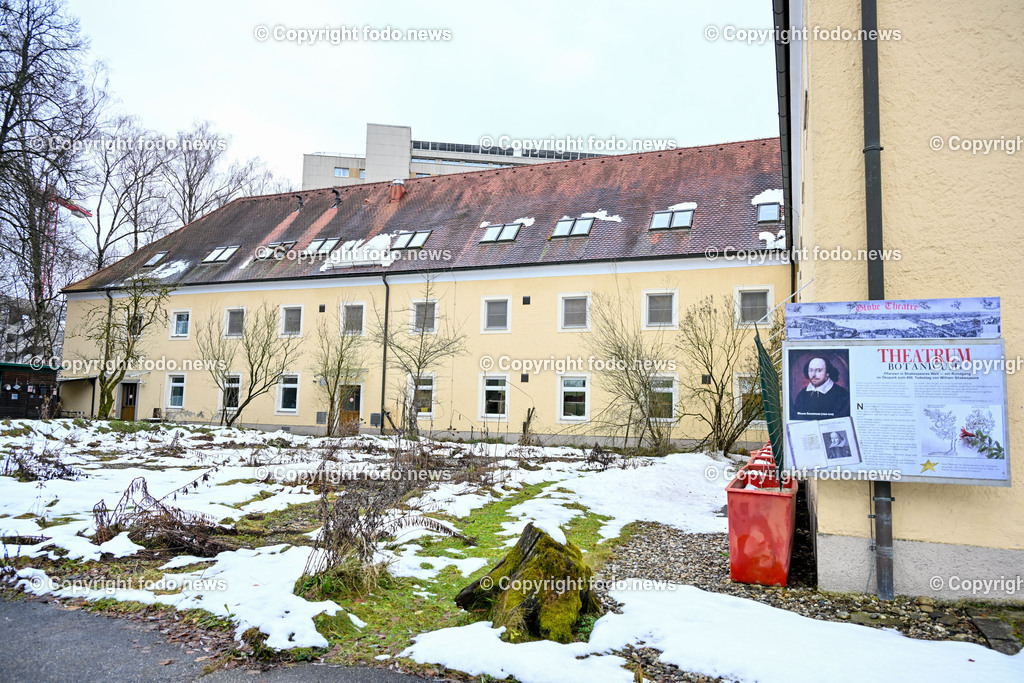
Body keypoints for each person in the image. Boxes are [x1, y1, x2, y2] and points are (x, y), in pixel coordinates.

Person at [792, 356, 850, 420]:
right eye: (811, 370)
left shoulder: (842, 395)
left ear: (827, 372)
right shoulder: (802, 395)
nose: (813, 375)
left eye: (819, 370)